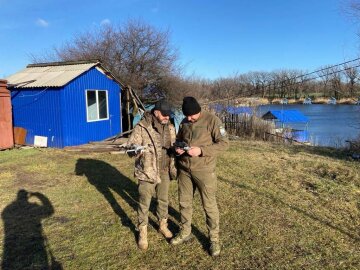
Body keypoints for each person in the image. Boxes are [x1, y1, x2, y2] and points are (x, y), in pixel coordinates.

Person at [171, 96, 229, 257]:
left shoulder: (213, 121)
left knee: (209, 205)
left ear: (198, 110)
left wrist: (201, 151)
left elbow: (224, 143)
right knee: (184, 202)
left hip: (204, 170)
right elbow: (178, 139)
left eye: (192, 116)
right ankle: (185, 231)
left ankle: (214, 239)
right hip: (184, 170)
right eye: (187, 116)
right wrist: (178, 148)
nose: (189, 119)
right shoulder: (183, 122)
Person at [127, 99, 177, 250]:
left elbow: (173, 146)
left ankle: (163, 224)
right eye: (164, 114)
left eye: (169, 114)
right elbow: (130, 147)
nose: (167, 117)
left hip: (165, 170)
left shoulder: (171, 127)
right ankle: (142, 231)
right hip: (148, 171)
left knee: (163, 200)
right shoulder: (142, 127)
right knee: (144, 202)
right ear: (156, 112)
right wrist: (135, 149)